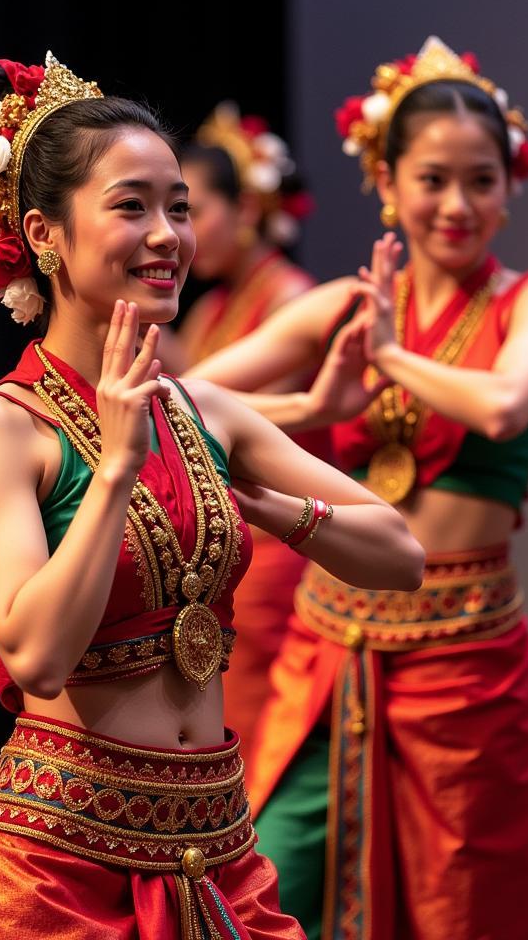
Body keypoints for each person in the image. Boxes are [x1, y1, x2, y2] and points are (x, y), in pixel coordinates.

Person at [0, 52, 424, 940]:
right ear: (44, 233)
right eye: (131, 206)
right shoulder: (2, 428)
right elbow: (35, 656)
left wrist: (277, 511)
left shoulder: (206, 409)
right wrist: (111, 471)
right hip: (57, 866)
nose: (167, 234)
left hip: (216, 849)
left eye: (178, 207)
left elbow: (400, 554)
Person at [189, 37, 528, 940]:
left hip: (466, 657)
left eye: (481, 180)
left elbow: (507, 406)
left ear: (510, 187)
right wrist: (316, 401)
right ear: (388, 182)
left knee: (465, 905)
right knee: (275, 885)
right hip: (327, 650)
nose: (456, 204)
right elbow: (190, 394)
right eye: (432, 179)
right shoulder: (339, 309)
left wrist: (395, 356)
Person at [176, 105, 323, 755]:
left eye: (192, 210)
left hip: (275, 546)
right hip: (228, 547)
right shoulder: (209, 307)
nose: (184, 231)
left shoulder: (290, 297)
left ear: (249, 209)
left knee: (256, 740)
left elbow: (247, 431)